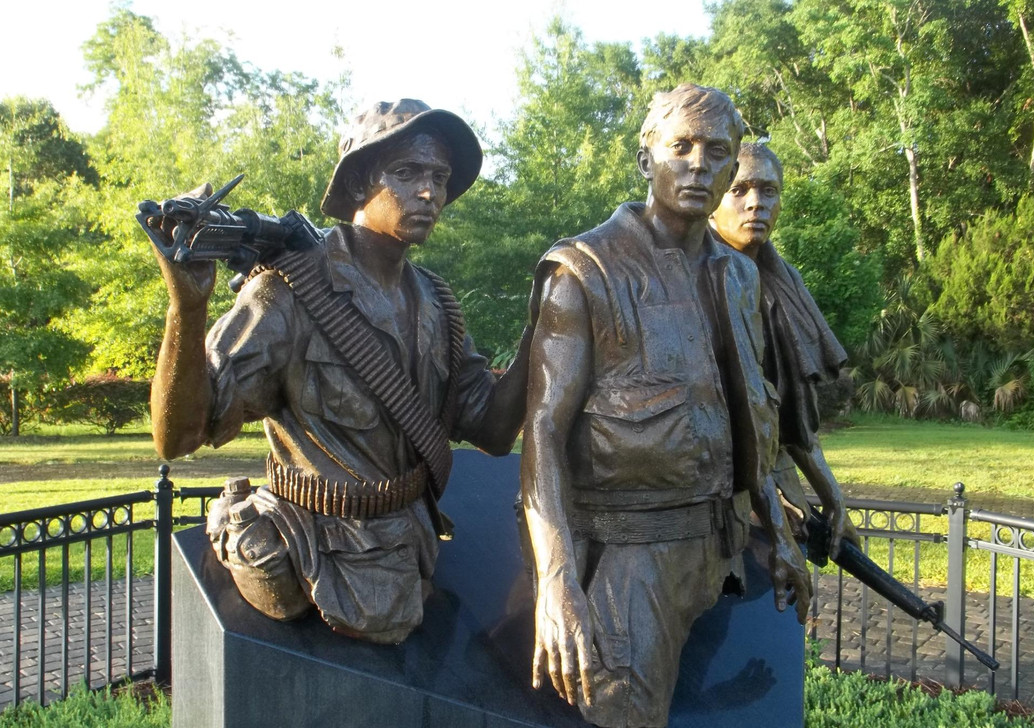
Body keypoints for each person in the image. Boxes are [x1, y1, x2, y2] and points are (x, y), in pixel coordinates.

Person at [148, 99, 530, 644]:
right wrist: (186, 307)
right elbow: (177, 435)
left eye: (439, 177)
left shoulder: (436, 301)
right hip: (316, 548)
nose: (429, 192)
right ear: (356, 186)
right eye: (406, 173)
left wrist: (546, 324)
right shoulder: (287, 294)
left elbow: (492, 430)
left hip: (409, 542)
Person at [521, 84, 810, 728]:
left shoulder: (739, 276)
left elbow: (750, 413)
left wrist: (779, 530)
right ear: (646, 158)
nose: (699, 165)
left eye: (717, 152)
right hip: (632, 555)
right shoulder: (585, 269)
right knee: (624, 713)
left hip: (722, 548)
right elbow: (541, 432)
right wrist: (557, 579)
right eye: (680, 146)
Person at [710, 142, 855, 558]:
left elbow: (793, 421)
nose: (755, 204)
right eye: (739, 190)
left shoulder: (783, 283)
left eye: (768, 191)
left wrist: (834, 497)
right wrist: (769, 503)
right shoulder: (691, 278)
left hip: (773, 492)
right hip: (715, 500)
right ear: (714, 199)